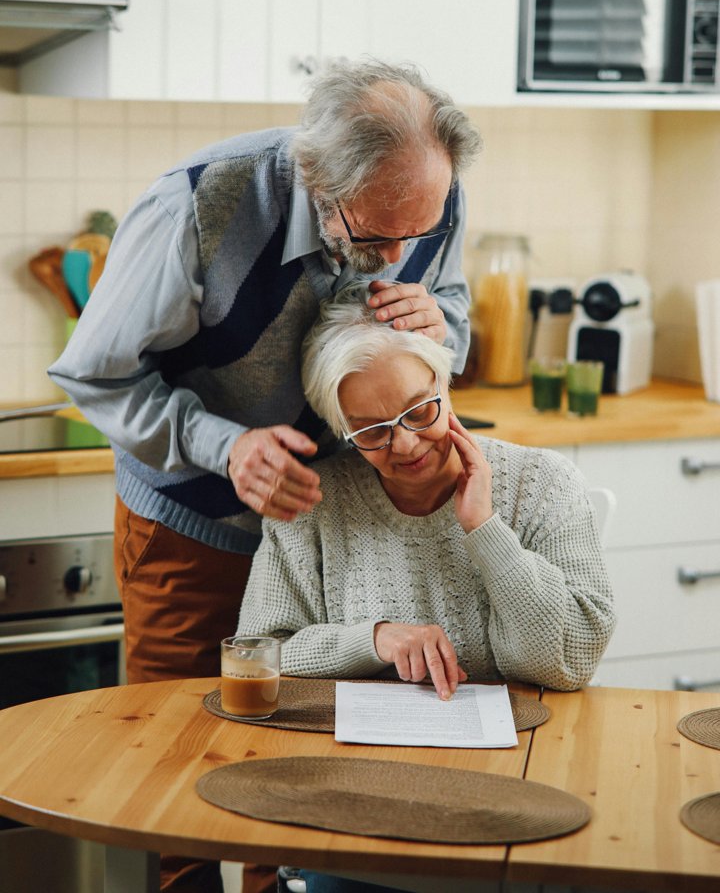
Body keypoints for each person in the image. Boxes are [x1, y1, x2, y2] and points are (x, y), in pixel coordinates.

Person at [47, 60, 481, 893]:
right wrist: (225, 446)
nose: (396, 256)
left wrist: (443, 321)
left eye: (414, 236)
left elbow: (446, 312)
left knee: (311, 767)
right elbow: (93, 376)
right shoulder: (200, 206)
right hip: (196, 525)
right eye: (374, 233)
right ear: (317, 178)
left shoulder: (426, 197)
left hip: (344, 529)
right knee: (178, 776)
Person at [239, 285, 616, 893]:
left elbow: (568, 659)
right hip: (358, 805)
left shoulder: (543, 482)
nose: (407, 444)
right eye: (371, 432)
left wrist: (484, 528)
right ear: (342, 431)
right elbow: (259, 657)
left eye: (421, 411)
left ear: (447, 387)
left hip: (515, 790)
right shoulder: (313, 503)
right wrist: (375, 640)